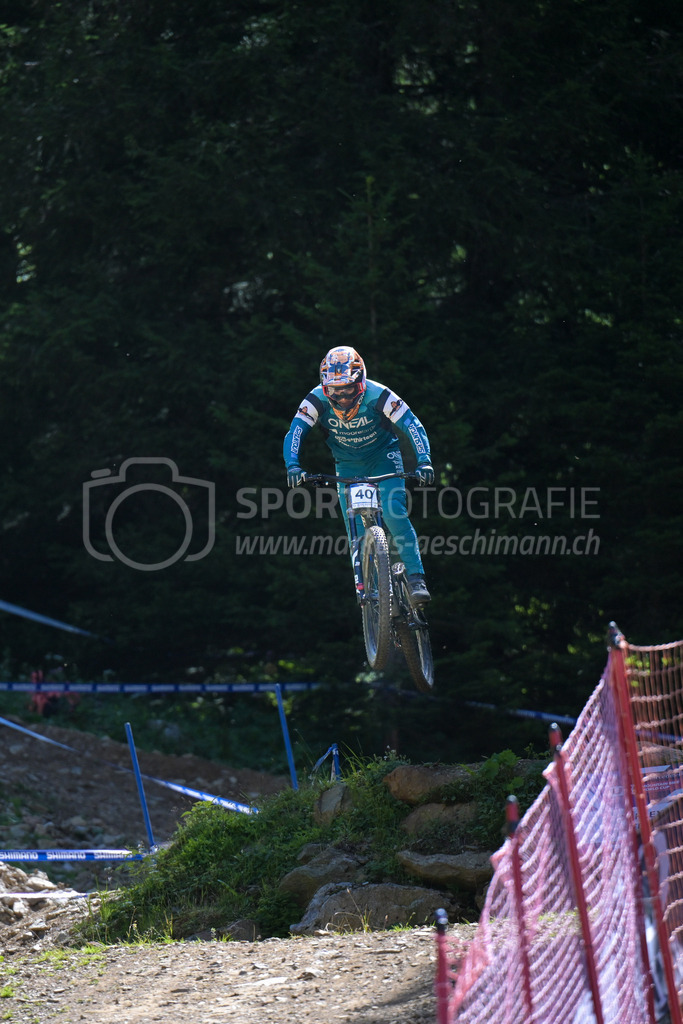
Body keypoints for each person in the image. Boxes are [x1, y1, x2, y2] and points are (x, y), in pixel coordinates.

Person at [283, 345, 434, 605]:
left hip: (383, 458)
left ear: (361, 382)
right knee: (353, 527)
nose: (341, 397)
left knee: (393, 511)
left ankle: (416, 578)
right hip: (347, 464)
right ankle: (371, 590)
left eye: (348, 389)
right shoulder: (316, 399)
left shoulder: (379, 395)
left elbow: (411, 424)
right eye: (334, 390)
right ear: (324, 386)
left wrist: (424, 461)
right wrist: (293, 466)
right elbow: (295, 432)